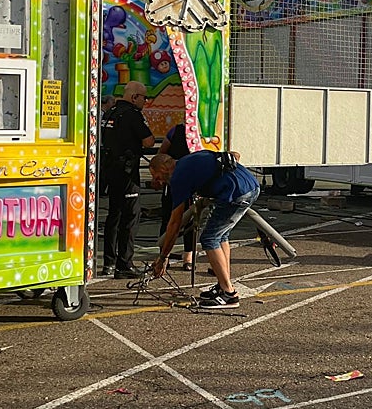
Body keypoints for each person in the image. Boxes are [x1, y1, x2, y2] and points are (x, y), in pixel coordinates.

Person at [148, 150, 260, 309]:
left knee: (209, 238)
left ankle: (229, 294)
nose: (156, 180)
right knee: (221, 235)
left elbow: (175, 222)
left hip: (237, 194)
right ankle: (223, 285)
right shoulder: (188, 160)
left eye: (155, 175)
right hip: (250, 185)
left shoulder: (179, 177)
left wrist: (163, 257)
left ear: (164, 168)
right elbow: (235, 155)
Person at [100, 81, 154, 279]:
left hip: (109, 170)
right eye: (144, 97)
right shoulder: (132, 114)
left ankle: (109, 262)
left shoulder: (110, 113)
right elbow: (148, 141)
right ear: (134, 97)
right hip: (127, 172)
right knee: (130, 216)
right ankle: (125, 264)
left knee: (113, 215)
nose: (145, 101)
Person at [157, 123, 194, 270]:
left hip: (192, 181)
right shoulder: (176, 130)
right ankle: (164, 254)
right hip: (173, 179)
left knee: (190, 218)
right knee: (168, 217)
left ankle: (188, 256)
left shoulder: (204, 133)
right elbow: (161, 152)